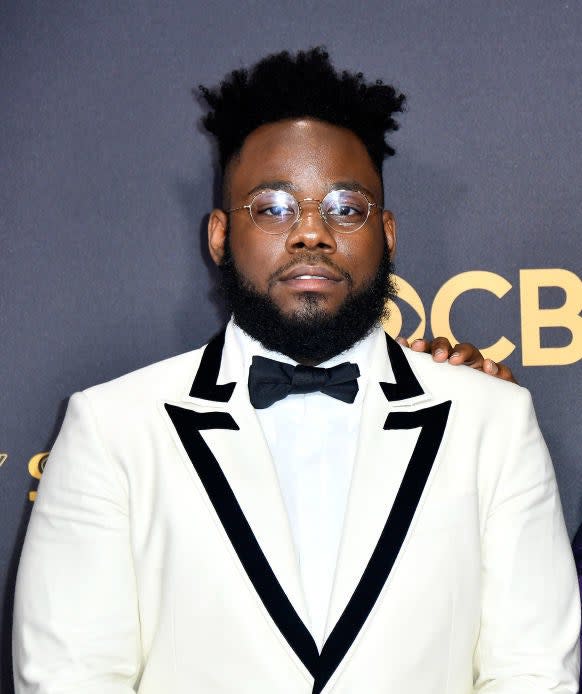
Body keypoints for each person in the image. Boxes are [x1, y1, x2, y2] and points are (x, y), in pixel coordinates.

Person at [13, 47, 578, 693]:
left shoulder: (491, 421)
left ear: (387, 233)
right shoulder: (113, 427)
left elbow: (533, 674)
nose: (312, 232)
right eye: (274, 207)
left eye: (345, 207)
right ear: (220, 235)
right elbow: (69, 677)